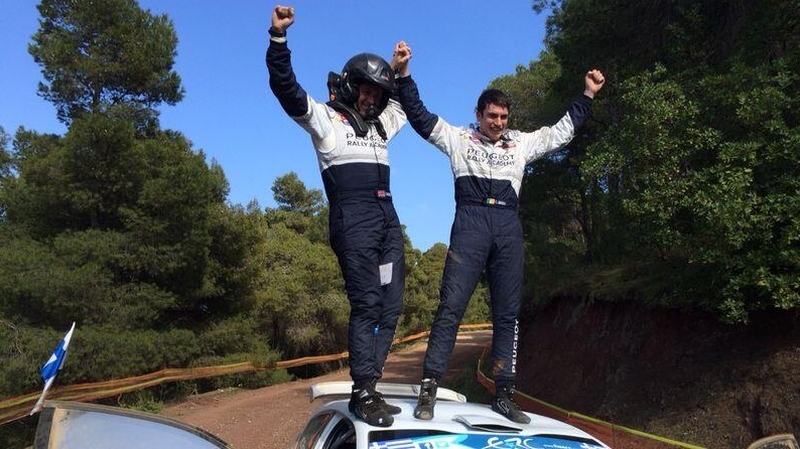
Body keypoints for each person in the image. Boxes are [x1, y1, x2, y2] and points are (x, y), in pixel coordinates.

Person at [393, 41, 605, 423]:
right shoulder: (459, 138)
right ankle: (429, 389)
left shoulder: (520, 143)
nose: (499, 122)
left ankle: (504, 393)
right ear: (478, 114)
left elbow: (561, 132)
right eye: (492, 116)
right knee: (451, 308)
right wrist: (404, 75)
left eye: (504, 116)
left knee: (508, 314)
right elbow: (420, 118)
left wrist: (587, 95)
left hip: (508, 224)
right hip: (471, 222)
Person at [266, 6, 411, 427]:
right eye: (365, 90)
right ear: (350, 87)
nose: (372, 98)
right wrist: (278, 39)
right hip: (354, 220)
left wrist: (398, 69)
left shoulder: (383, 123)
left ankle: (371, 386)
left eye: (377, 94)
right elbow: (286, 90)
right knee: (366, 303)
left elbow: (402, 102)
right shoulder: (327, 120)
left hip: (388, 221)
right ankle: (362, 391)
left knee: (391, 304)